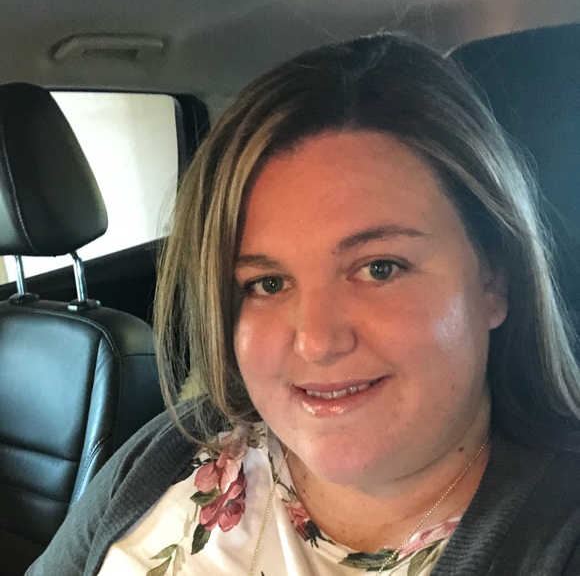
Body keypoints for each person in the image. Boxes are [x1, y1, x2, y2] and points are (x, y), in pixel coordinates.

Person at [28, 32, 580, 576]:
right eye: (267, 283)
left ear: (495, 282)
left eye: (379, 268)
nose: (316, 341)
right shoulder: (170, 452)